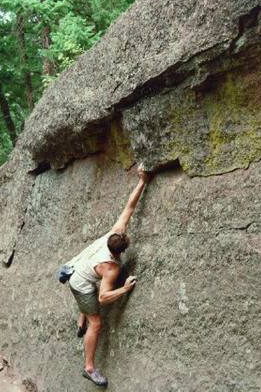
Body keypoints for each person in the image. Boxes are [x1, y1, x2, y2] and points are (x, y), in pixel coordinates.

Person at [66, 164, 150, 387]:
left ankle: (81, 315)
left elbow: (130, 207)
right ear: (120, 250)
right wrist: (125, 288)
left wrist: (142, 180)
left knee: (91, 290)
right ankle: (89, 368)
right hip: (78, 282)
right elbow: (103, 298)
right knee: (96, 323)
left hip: (77, 266)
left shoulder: (114, 232)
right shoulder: (111, 267)